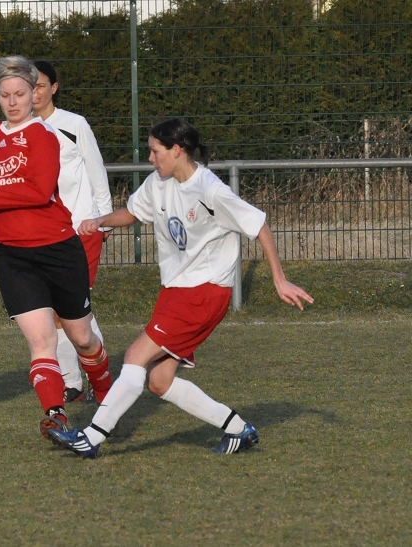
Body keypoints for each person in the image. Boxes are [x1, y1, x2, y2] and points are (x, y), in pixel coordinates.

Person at [49, 117, 314, 457]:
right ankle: (238, 429)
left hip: (203, 293)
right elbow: (133, 212)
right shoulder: (158, 182)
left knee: (134, 357)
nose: (150, 158)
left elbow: (259, 224)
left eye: (155, 151)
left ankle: (91, 438)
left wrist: (279, 278)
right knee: (160, 381)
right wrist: (100, 221)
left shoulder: (209, 189)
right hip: (175, 291)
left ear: (176, 150)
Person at [0, 55, 113, 440]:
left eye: (20, 94)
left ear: (33, 93)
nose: (13, 102)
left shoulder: (45, 135)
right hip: (12, 255)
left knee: (83, 338)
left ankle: (108, 397)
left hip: (58, 249)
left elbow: (37, 192)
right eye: (5, 95)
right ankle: (56, 415)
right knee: (41, 340)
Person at [32, 60, 114, 404]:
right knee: (55, 310)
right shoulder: (21, 130)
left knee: (74, 309)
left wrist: (104, 220)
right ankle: (76, 383)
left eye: (40, 85)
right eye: (28, 86)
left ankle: (96, 382)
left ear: (54, 88)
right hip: (44, 234)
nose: (34, 92)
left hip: (81, 228)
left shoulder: (73, 124)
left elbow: (96, 170)